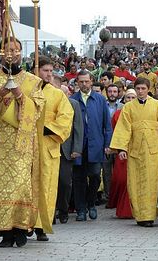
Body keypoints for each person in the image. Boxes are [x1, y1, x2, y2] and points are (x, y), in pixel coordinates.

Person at [0, 38, 45, 247]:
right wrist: (0, 94)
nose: (11, 53)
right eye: (7, 50)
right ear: (1, 53)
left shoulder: (32, 80)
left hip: (21, 143)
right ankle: (5, 233)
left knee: (20, 185)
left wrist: (19, 95)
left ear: (21, 52)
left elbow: (38, 108)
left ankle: (21, 230)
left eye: (15, 50)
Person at [109, 77, 158, 227]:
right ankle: (140, 215)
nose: (141, 91)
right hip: (135, 151)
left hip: (153, 151)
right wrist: (122, 148)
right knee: (135, 183)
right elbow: (123, 128)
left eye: (143, 88)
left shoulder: (157, 106)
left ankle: (150, 215)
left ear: (149, 89)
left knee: (151, 183)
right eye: (138, 89)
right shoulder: (128, 108)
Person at [33, 56, 74, 241]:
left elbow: (66, 117)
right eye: (45, 71)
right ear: (36, 70)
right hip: (28, 145)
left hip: (49, 144)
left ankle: (42, 226)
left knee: (47, 187)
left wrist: (48, 129)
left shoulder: (57, 94)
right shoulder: (27, 91)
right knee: (28, 186)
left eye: (51, 71)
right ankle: (26, 222)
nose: (49, 75)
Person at [70, 70, 112, 222]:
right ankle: (81, 209)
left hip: (96, 144)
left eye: (87, 81)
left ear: (92, 81)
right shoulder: (72, 99)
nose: (84, 84)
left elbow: (107, 124)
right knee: (78, 178)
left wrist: (108, 144)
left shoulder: (100, 99)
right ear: (77, 82)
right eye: (81, 81)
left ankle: (91, 204)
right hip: (78, 146)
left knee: (95, 176)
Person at [55, 84, 83, 224]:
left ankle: (63, 209)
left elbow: (78, 127)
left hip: (66, 150)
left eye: (63, 93)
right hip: (51, 147)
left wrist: (76, 148)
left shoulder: (73, 104)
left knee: (65, 182)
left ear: (68, 94)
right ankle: (51, 211)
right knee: (50, 181)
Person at [107, 88, 136, 218]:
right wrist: (114, 148)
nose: (130, 100)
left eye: (132, 98)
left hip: (137, 151)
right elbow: (113, 132)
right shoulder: (118, 114)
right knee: (121, 180)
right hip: (122, 152)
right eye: (128, 98)